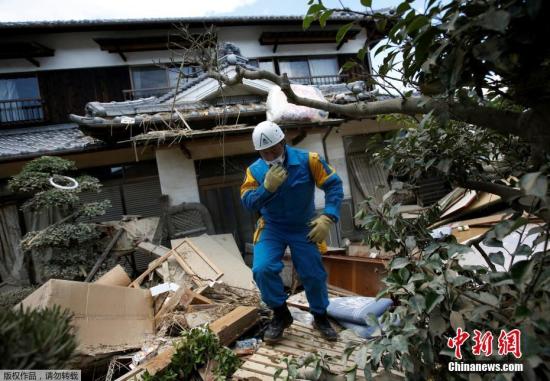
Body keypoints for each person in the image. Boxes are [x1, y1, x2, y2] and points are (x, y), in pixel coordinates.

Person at [240, 120, 344, 342]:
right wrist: (265, 188)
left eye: (274, 149)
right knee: (262, 269)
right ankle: (281, 314)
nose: (270, 155)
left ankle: (320, 316)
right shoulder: (254, 171)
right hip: (272, 227)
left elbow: (334, 185)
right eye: (264, 152)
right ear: (258, 151)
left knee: (313, 274)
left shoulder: (309, 160)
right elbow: (248, 203)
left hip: (303, 226)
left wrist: (328, 216)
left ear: (283, 142)